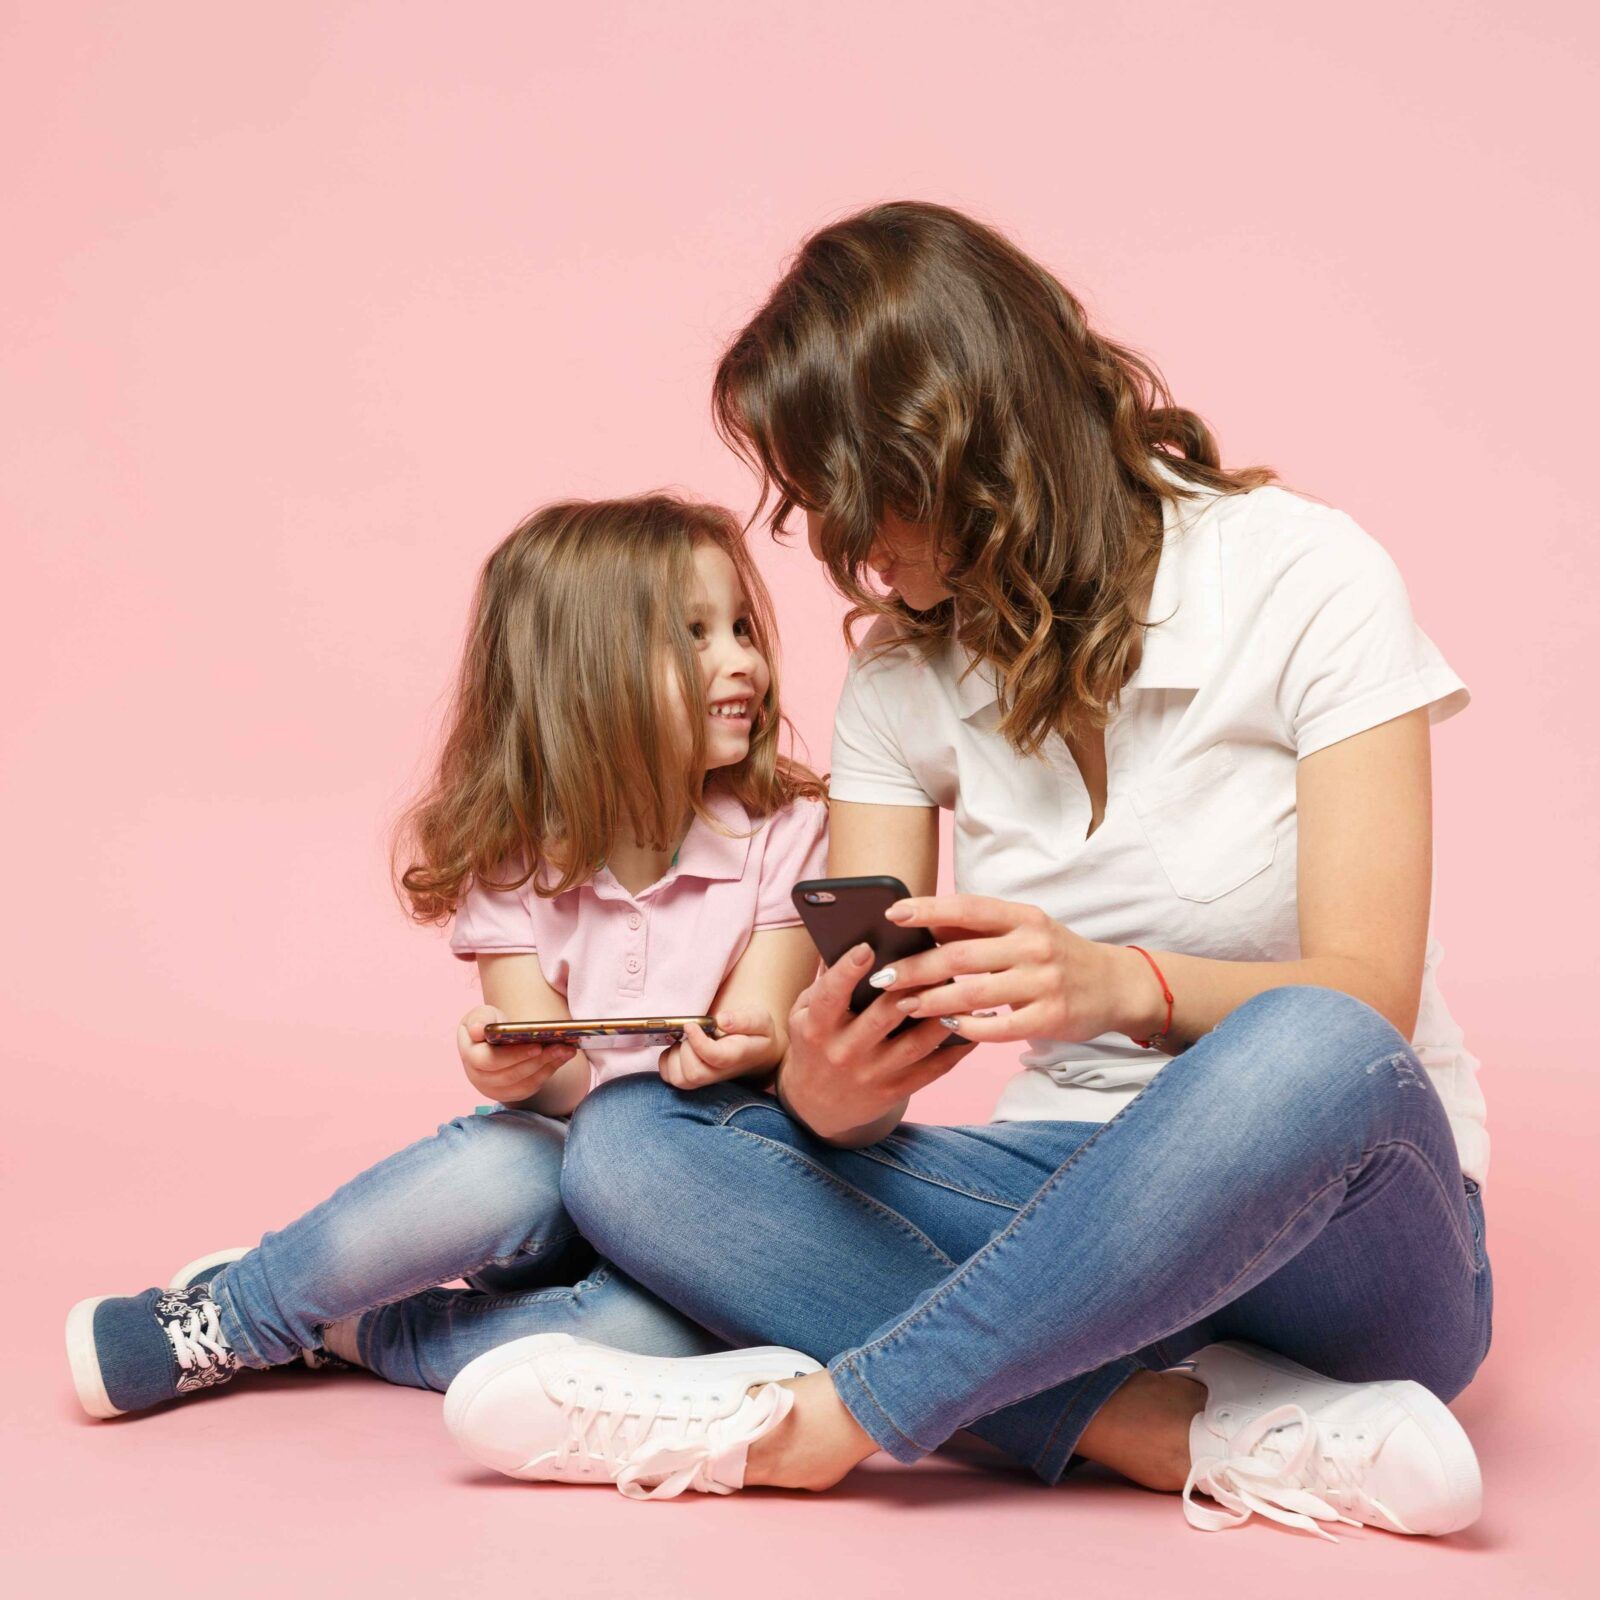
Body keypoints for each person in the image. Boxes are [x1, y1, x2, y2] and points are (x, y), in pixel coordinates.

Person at [443, 204, 1493, 1540]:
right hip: (1066, 1212)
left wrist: (1112, 983)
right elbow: (857, 1078)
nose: (838, 541)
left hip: (1344, 1226)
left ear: (958, 445)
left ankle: (815, 1422)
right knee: (633, 1141)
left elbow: (1370, 999)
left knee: (1313, 1046)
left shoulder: (1308, 577)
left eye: (852, 492)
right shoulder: (901, 674)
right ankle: (1161, 1427)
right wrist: (830, 1085)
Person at [65, 493, 828, 1415]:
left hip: (700, 1220)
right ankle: (227, 1317)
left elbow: (771, 1035)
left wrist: (750, 1049)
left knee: (649, 1343)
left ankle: (350, 1328)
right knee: (507, 1158)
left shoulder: (788, 837)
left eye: (741, 626)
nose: (743, 659)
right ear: (584, 677)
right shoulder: (515, 859)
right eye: (696, 635)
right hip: (561, 1193)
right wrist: (516, 1071)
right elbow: (557, 1096)